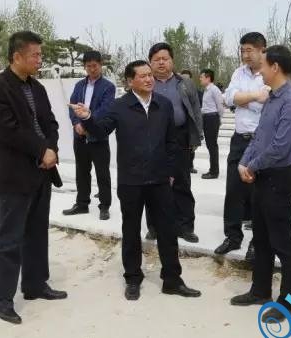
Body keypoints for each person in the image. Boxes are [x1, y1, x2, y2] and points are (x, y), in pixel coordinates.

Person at [69, 60, 201, 301]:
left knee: (167, 230)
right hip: (131, 180)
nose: (149, 79)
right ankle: (132, 278)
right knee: (130, 231)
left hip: (160, 179)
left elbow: (171, 141)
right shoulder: (120, 106)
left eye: (150, 75)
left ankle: (172, 279)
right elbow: (100, 131)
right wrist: (87, 118)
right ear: (130, 81)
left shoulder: (164, 104)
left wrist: (171, 171)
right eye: (143, 76)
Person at [0, 31, 66, 325]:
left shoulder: (37, 88)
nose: (40, 60)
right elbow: (7, 130)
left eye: (41, 55)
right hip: (14, 174)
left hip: (42, 171)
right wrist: (42, 150)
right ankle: (0, 300)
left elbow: (50, 123)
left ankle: (35, 284)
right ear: (17, 56)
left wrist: (52, 149)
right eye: (35, 55)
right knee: (9, 237)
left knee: (37, 232)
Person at [229, 46, 291, 325]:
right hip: (261, 177)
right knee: (261, 239)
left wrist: (252, 165)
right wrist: (244, 162)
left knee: (283, 243)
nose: (259, 71)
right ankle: (260, 290)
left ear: (275, 67)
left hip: (279, 179)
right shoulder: (271, 98)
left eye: (263, 66)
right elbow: (260, 136)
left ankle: (288, 303)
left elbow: (280, 147)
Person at [214, 32, 269, 263]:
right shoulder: (239, 72)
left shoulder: (270, 72)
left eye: (249, 50)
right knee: (234, 189)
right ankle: (233, 236)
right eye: (242, 50)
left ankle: (258, 241)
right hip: (239, 138)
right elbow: (228, 99)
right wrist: (254, 96)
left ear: (262, 50)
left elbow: (267, 104)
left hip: (261, 140)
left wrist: (243, 99)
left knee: (259, 193)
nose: (245, 55)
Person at [145, 43, 203, 243]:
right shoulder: (145, 82)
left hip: (179, 137)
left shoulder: (185, 83)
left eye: (165, 58)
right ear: (150, 63)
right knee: (152, 184)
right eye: (156, 59)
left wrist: (196, 137)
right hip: (152, 138)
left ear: (172, 61)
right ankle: (154, 226)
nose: (161, 63)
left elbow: (196, 110)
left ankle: (185, 226)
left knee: (182, 183)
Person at [63, 51, 115, 221]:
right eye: (89, 66)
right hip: (79, 136)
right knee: (82, 172)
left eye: (95, 65)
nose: (92, 69)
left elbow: (105, 110)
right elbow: (72, 106)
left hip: (98, 137)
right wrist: (76, 124)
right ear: (84, 67)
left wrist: (87, 124)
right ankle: (82, 204)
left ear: (101, 65)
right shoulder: (79, 85)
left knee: (102, 173)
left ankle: (104, 206)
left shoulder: (108, 87)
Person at [199, 68, 225, 179]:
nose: (200, 79)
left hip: (212, 118)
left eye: (201, 77)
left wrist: (218, 118)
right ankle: (213, 169)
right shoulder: (206, 90)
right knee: (210, 145)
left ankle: (214, 172)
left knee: (212, 145)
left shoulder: (214, 89)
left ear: (208, 78)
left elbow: (220, 106)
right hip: (207, 118)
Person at [181, 69, 200, 174]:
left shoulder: (194, 91)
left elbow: (197, 107)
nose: (185, 80)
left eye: (187, 78)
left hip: (191, 121)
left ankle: (190, 165)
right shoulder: (177, 89)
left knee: (192, 146)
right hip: (182, 122)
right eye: (183, 77)